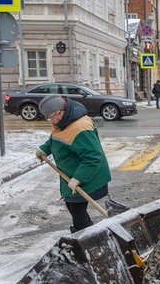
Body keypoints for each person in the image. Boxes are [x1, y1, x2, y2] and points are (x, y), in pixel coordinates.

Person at [35, 94, 112, 232]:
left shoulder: (80, 128)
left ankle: (85, 235)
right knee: (73, 206)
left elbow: (93, 157)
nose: (54, 119)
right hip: (73, 175)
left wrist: (78, 178)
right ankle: (88, 232)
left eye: (56, 115)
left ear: (63, 108)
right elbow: (58, 138)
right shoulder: (63, 121)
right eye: (50, 117)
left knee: (76, 209)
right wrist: (45, 149)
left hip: (88, 175)